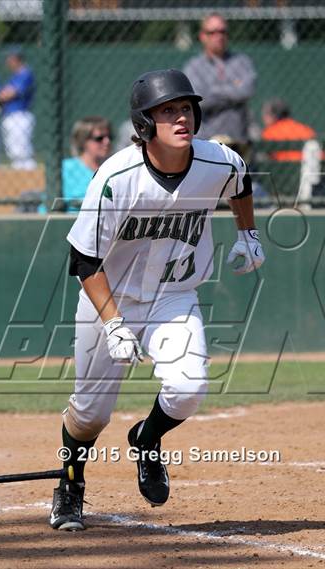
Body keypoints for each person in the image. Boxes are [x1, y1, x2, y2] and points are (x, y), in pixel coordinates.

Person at [49, 69, 265, 531]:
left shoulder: (217, 161)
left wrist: (248, 234)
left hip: (173, 296)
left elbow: (241, 182)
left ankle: (146, 440)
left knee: (188, 388)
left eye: (186, 108)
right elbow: (84, 260)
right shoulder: (117, 176)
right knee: (90, 414)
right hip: (110, 298)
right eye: (168, 110)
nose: (181, 117)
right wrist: (113, 324)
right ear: (145, 123)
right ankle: (70, 487)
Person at [183, 13, 256, 144]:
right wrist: (233, 91)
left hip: (239, 140)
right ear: (202, 36)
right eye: (212, 32)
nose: (219, 36)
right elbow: (200, 101)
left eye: (223, 31)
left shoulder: (241, 62)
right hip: (206, 141)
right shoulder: (194, 67)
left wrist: (213, 91)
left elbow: (246, 91)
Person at [0, 47, 36, 169]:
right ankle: (20, 180)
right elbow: (2, 94)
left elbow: (8, 94)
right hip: (11, 115)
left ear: (16, 59)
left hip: (19, 115)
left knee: (22, 152)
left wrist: (2, 95)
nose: (7, 61)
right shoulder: (15, 76)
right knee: (13, 152)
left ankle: (31, 177)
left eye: (9, 58)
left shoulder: (25, 73)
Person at [62, 116, 112, 211]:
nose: (107, 141)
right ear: (83, 141)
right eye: (99, 138)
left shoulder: (114, 168)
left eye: (109, 137)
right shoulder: (66, 169)